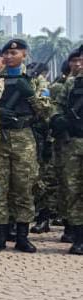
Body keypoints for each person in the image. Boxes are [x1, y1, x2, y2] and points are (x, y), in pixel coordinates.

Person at [0, 38, 50, 252]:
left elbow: (45, 112)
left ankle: (22, 235)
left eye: (14, 53)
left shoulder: (35, 81)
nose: (9, 57)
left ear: (25, 55)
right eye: (6, 53)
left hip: (23, 137)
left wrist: (30, 95)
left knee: (24, 188)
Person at [51, 47, 83, 254]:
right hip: (74, 142)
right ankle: (78, 237)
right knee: (73, 190)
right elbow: (57, 105)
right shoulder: (72, 83)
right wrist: (57, 118)